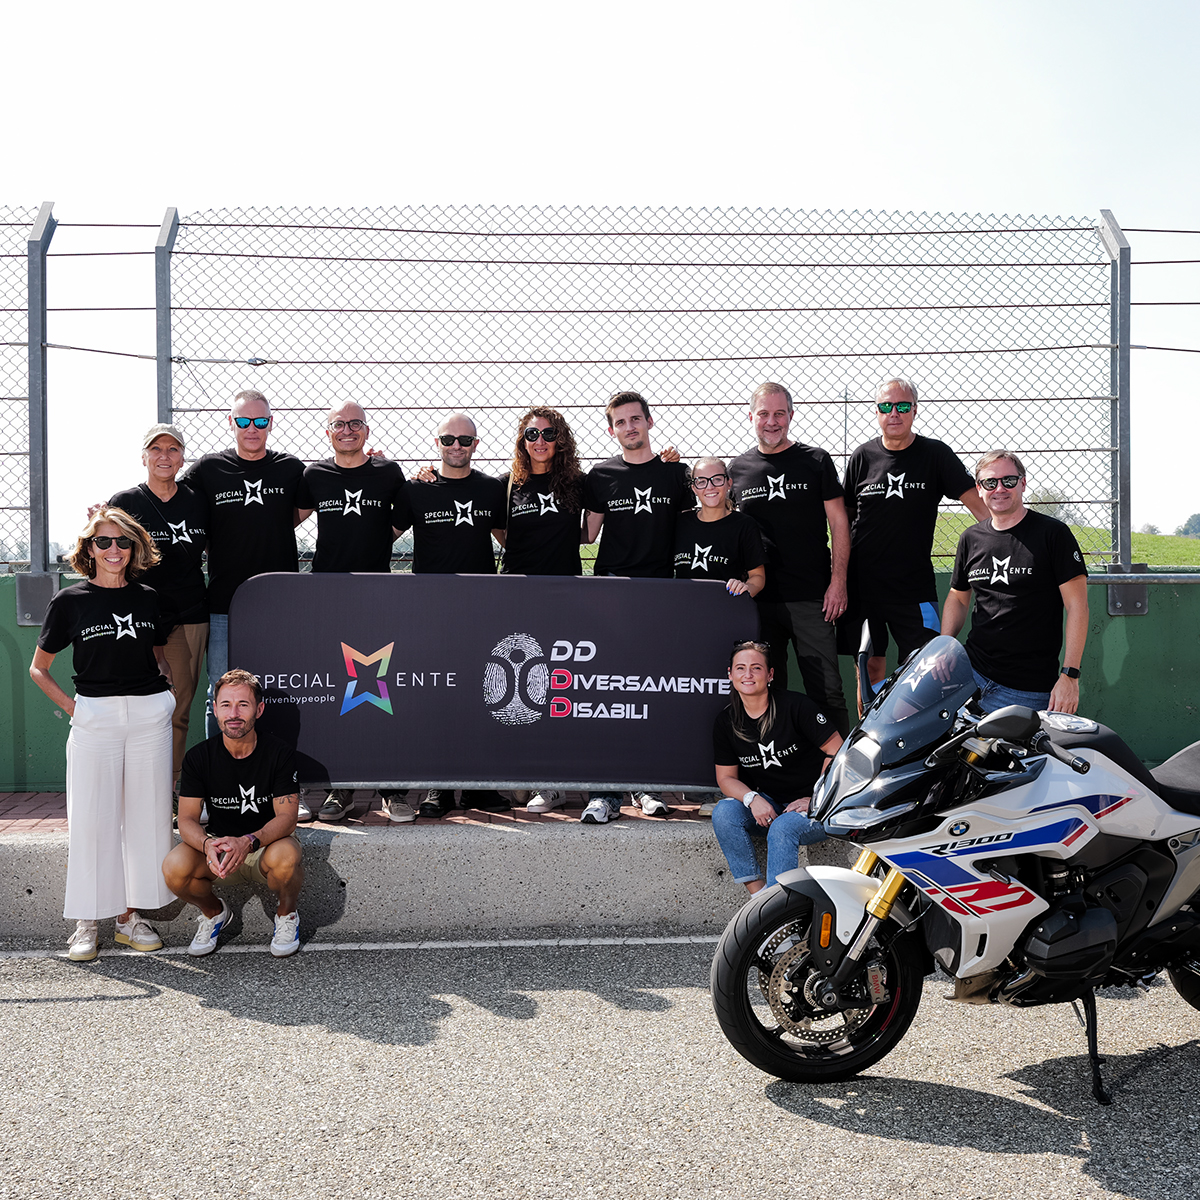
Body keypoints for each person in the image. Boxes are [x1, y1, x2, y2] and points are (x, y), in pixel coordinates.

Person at [29, 507, 176, 961]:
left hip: (150, 717)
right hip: (95, 717)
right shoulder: (70, 601)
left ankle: (129, 918)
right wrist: (77, 709)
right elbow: (39, 668)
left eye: (123, 542)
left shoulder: (150, 597)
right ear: (89, 550)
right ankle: (87, 922)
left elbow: (156, 651)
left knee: (146, 818)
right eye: (104, 542)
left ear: (135, 549)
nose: (114, 550)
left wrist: (164, 688)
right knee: (94, 820)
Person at [294, 401, 412, 824]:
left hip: (377, 596)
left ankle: (391, 788)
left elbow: (403, 520)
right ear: (328, 432)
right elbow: (286, 517)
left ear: (367, 429)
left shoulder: (389, 473)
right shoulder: (313, 475)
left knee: (383, 692)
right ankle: (337, 789)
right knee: (337, 694)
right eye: (339, 424)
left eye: (355, 423)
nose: (347, 430)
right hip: (328, 597)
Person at [579, 390, 693, 824]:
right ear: (612, 430)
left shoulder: (675, 474)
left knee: (647, 690)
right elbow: (587, 534)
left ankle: (645, 786)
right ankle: (604, 792)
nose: (630, 427)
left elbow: (694, 527)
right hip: (611, 594)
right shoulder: (601, 475)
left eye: (636, 419)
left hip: (661, 594)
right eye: (621, 422)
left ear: (649, 421)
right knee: (605, 690)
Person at [839, 379, 990, 700]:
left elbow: (981, 509)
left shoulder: (935, 454)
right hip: (863, 588)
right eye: (886, 406)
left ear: (915, 410)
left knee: (924, 669)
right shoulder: (862, 457)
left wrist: (1005, 546)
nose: (894, 413)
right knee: (870, 669)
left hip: (913, 588)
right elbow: (843, 523)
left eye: (903, 406)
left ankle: (919, 748)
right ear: (877, 411)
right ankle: (869, 744)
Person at [395, 413, 509, 816]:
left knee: (481, 693)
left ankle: (477, 787)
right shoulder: (416, 489)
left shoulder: (492, 489)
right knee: (436, 696)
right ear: (437, 442)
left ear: (476, 445)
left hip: (481, 607)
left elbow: (510, 538)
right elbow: (383, 532)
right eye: (448, 440)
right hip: (430, 609)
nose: (456, 446)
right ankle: (438, 788)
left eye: (465, 440)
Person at [179, 390, 304, 738]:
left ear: (270, 424)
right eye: (244, 421)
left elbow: (311, 503)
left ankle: (278, 780)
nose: (253, 428)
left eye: (260, 421)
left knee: (279, 695)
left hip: (280, 605)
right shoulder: (208, 469)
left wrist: (375, 463)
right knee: (219, 696)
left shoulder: (290, 468)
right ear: (231, 422)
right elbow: (170, 501)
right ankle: (221, 786)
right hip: (224, 606)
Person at [728, 382, 851, 736]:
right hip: (759, 600)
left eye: (779, 413)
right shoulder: (738, 469)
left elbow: (839, 523)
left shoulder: (815, 461)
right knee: (765, 692)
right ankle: (778, 774)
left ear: (791, 416)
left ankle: (838, 776)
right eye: (764, 414)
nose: (771, 421)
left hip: (811, 596)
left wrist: (838, 582)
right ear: (751, 417)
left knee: (827, 690)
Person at [161, 669, 304, 958]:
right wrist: (206, 844)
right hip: (219, 848)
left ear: (259, 709)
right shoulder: (199, 757)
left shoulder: (280, 753)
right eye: (225, 705)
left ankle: (287, 915)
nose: (234, 713)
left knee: (287, 860)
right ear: (214, 710)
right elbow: (187, 818)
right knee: (174, 868)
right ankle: (214, 913)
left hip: (264, 845)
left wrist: (249, 840)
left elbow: (287, 818)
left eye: (243, 705)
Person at [941, 450, 1088, 714]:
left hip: (1027, 689)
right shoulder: (970, 538)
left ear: (1022, 483)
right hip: (970, 675)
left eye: (1008, 481)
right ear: (979, 488)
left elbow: (1077, 606)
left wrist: (1069, 676)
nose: (1000, 488)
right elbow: (958, 596)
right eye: (990, 482)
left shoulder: (1053, 534)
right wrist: (943, 646)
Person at [107, 424, 208, 791]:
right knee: (139, 708)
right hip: (140, 620)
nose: (164, 456)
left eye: (173, 449)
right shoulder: (126, 502)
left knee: (177, 710)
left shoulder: (197, 500)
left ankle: (171, 791)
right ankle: (137, 788)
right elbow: (105, 549)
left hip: (189, 614)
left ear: (183, 457)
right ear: (144, 456)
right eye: (156, 449)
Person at [674, 455, 767, 818]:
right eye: (701, 481)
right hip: (684, 630)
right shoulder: (679, 524)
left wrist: (745, 587)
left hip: (727, 632)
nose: (709, 488)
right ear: (693, 487)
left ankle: (726, 787)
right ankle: (683, 781)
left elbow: (758, 578)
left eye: (716, 480)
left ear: (729, 483)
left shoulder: (743, 526)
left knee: (724, 703)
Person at [711, 641, 843, 893]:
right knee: (724, 812)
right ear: (730, 674)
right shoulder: (725, 721)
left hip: (820, 807)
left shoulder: (796, 706)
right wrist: (752, 798)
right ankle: (760, 899)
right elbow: (726, 778)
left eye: (756, 668)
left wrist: (816, 798)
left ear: (770, 674)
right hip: (772, 803)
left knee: (783, 828)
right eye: (740, 668)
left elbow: (837, 751)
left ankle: (780, 912)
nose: (747, 675)